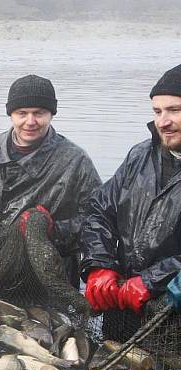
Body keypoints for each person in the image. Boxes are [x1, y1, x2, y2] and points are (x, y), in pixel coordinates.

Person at [0, 74, 101, 285]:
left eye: (39, 113)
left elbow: (95, 220)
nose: (30, 122)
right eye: (22, 113)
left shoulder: (76, 162)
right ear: (11, 114)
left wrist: (51, 230)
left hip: (47, 276)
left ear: (51, 114)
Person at [81, 64, 181, 315]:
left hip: (170, 309)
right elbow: (99, 211)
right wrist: (100, 263)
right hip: (124, 303)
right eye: (157, 111)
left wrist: (152, 280)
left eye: (174, 110)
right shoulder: (139, 156)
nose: (163, 121)